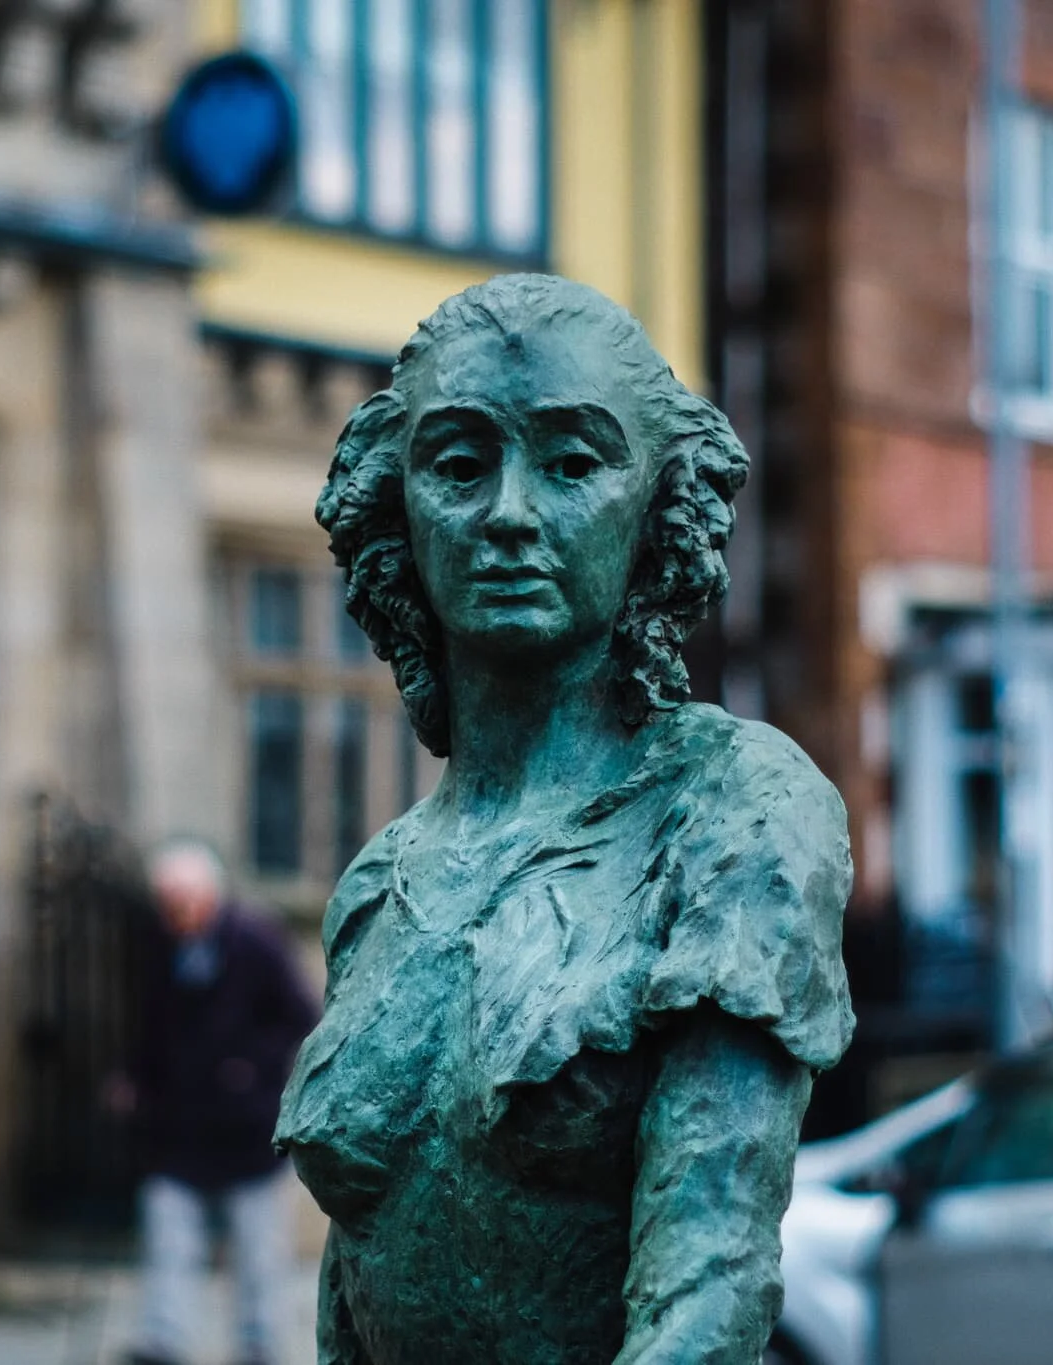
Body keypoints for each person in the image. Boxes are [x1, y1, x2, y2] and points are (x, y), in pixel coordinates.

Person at [276, 275, 853, 1364]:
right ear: (400, 508)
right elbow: (348, 1296)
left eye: (572, 463)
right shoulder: (378, 883)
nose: (506, 513)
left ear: (651, 512)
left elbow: (708, 1288)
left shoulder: (733, 809)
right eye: (456, 466)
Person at [123, 839, 320, 1365]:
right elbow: (148, 1026)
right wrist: (135, 1081)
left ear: (208, 895)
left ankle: (260, 1344)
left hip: (244, 1128)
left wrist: (249, 1068)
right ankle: (163, 1339)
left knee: (258, 1251)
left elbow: (301, 1016)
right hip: (178, 1127)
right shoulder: (160, 946)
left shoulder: (256, 941)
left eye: (180, 902)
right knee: (169, 1240)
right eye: (166, 903)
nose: (174, 914)